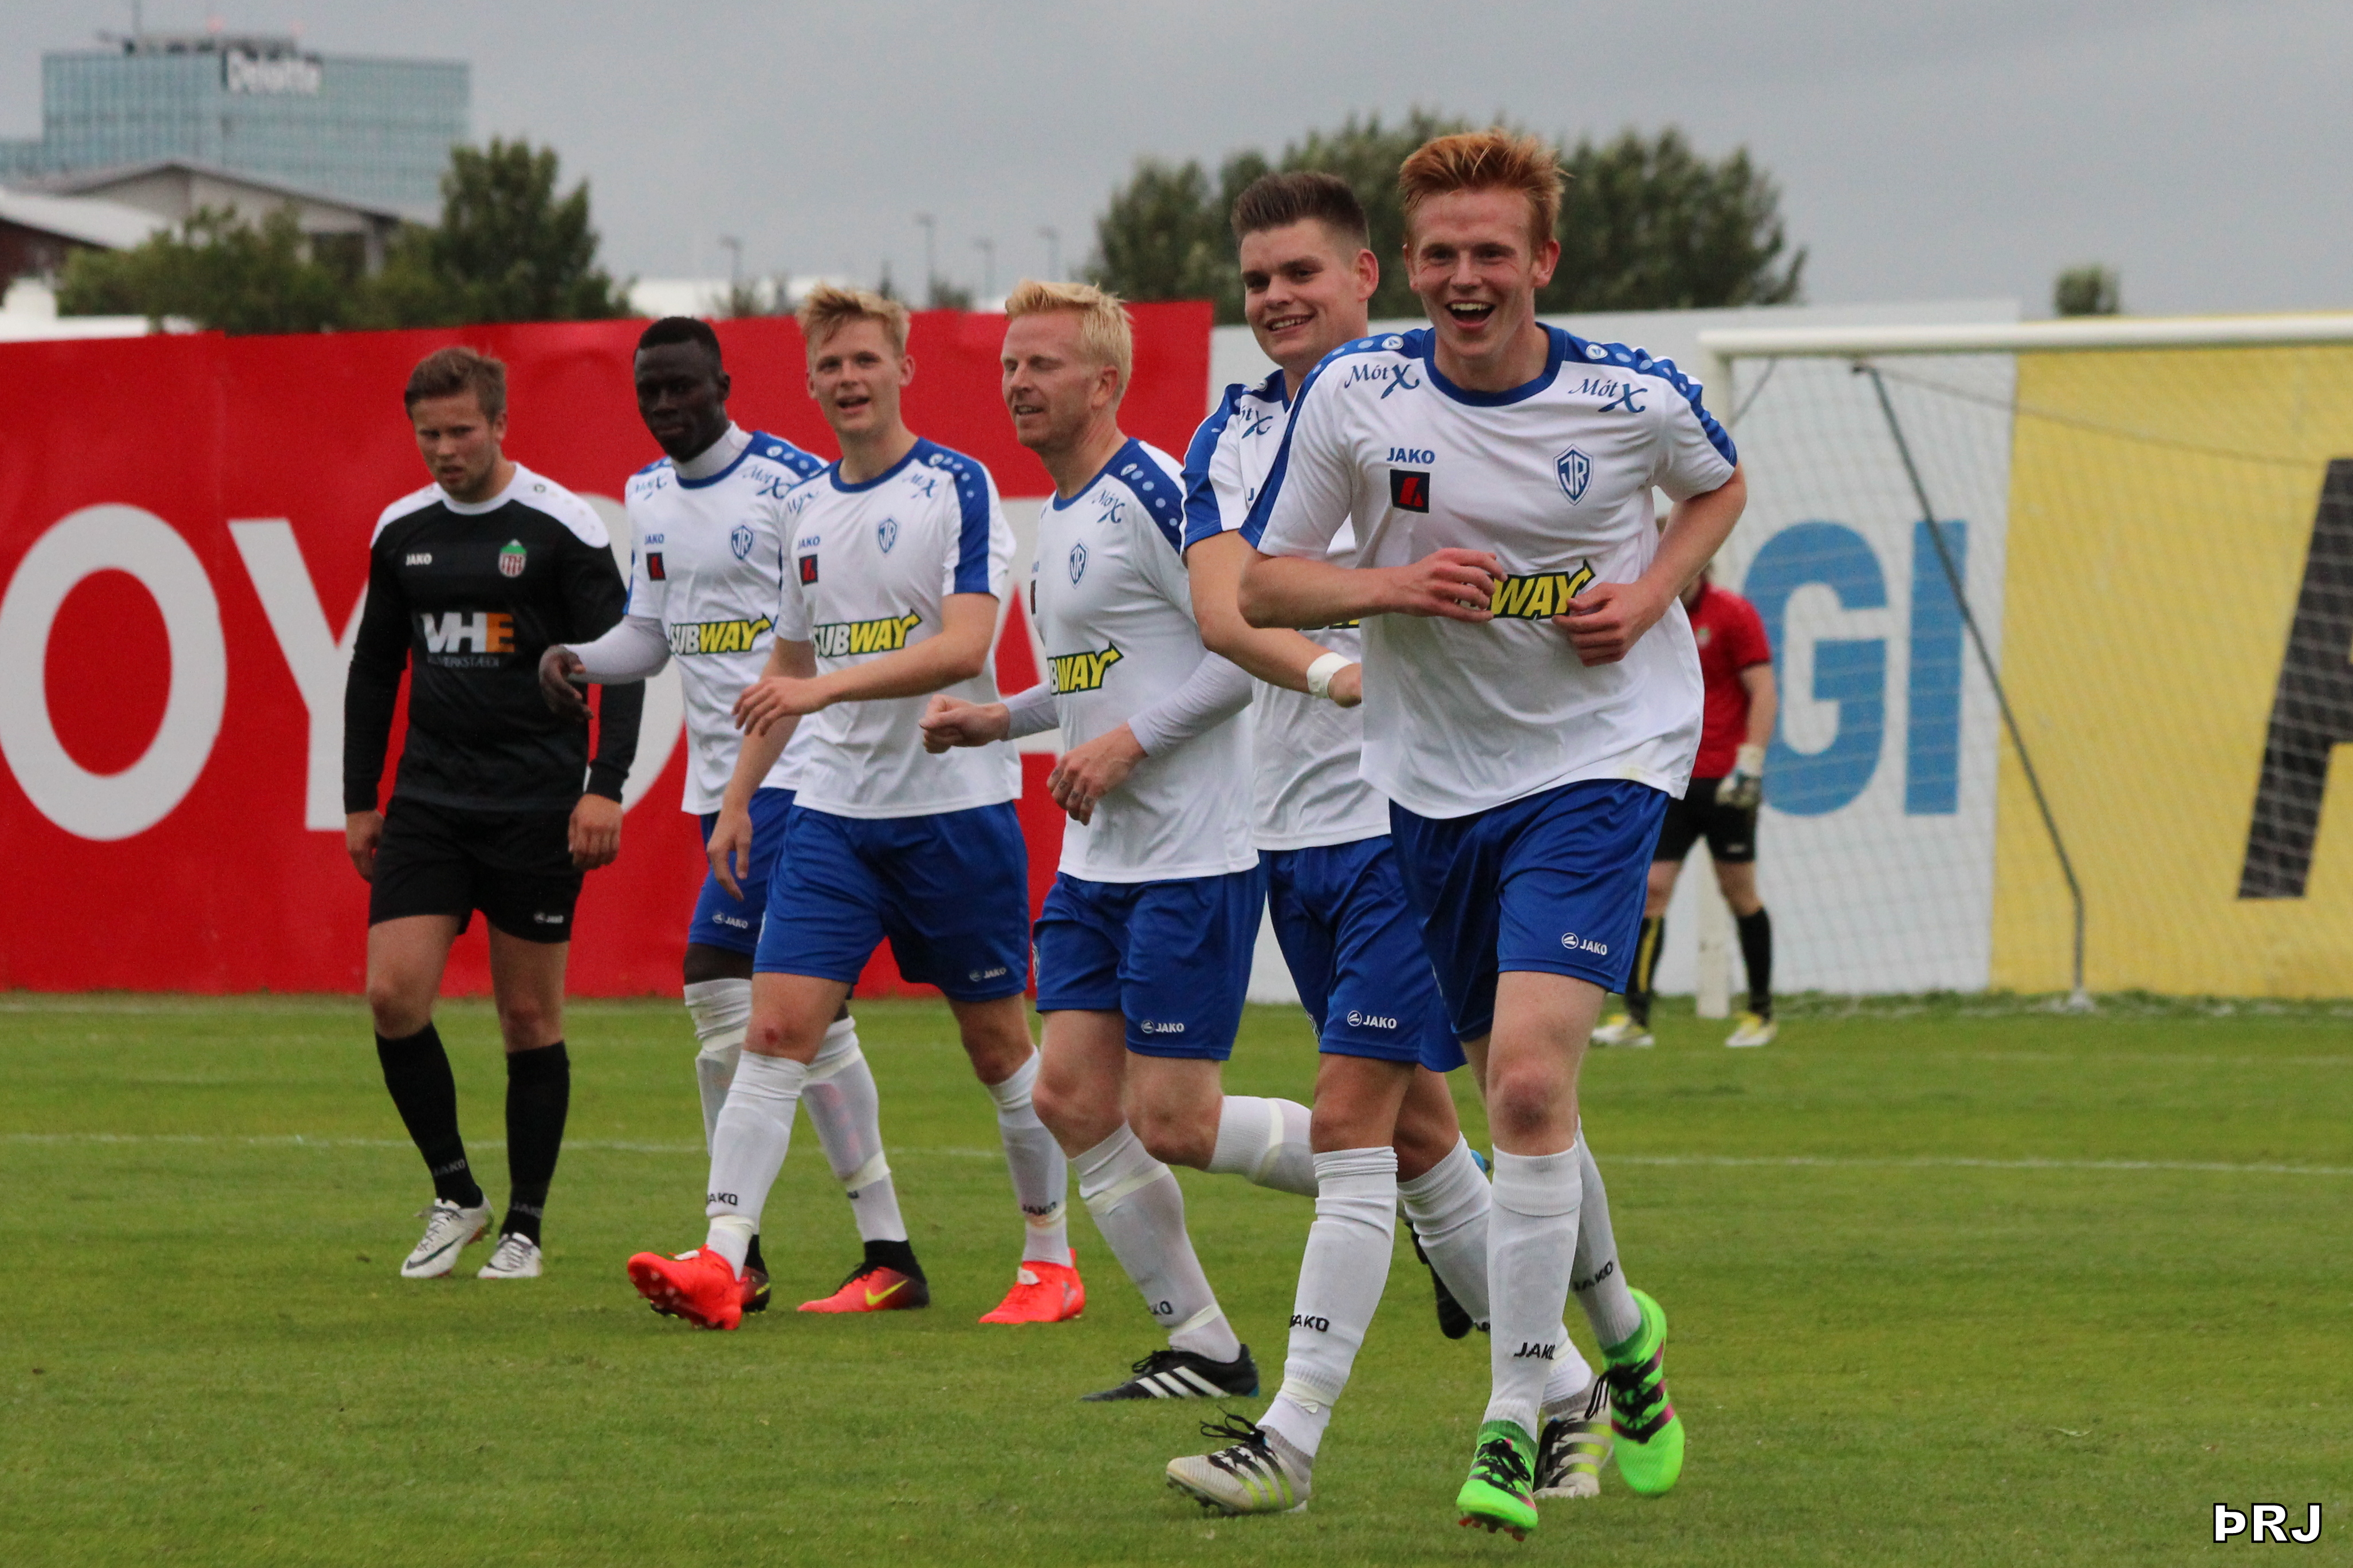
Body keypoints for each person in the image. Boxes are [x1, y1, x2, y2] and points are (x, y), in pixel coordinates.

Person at [1238, 129, 1746, 1537]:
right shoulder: (1355, 395)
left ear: (1542, 263)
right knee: (1522, 1100)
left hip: (1601, 760)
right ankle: (1622, 1333)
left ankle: (1515, 1419)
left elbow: (1717, 486)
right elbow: (1266, 587)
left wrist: (1650, 594)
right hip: (1431, 785)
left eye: (1492, 253)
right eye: (1443, 254)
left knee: (1522, 1086)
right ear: (1408, 268)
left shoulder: (1627, 394)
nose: (1467, 277)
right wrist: (1392, 590)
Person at [1162, 171, 1623, 1515]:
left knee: (1353, 1118)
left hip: (1408, 813)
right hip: (1289, 821)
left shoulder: (1441, 402)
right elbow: (1223, 608)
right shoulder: (1228, 434)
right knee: (1427, 1142)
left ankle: (1288, 1438)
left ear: (1366, 276)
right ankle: (1572, 1386)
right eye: (1256, 280)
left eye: (1300, 273)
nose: (1275, 298)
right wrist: (1335, 664)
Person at [620, 286, 1072, 1331]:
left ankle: (1049, 1256)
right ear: (810, 383)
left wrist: (821, 691)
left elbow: (964, 647)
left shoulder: (957, 484)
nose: (849, 379)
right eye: (830, 365)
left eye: (866, 359)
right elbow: (786, 666)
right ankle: (723, 1256)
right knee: (773, 1027)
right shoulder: (806, 508)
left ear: (903, 369)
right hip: (830, 814)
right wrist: (738, 798)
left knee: (999, 1048)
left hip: (952, 811)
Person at [923, 279, 1317, 1402]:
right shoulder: (1057, 515)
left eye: (1040, 365)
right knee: (1066, 1097)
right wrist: (1001, 719)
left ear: (1103, 382)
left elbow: (1241, 651)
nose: (1016, 383)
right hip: (1098, 864)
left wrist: (1128, 746)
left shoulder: (1155, 490)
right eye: (1009, 365)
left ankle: (1411, 1170)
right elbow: (1097, 677)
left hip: (1190, 856)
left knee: (1175, 1120)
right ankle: (1202, 1344)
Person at [539, 315, 901, 1319]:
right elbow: (650, 637)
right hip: (722, 790)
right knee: (805, 1017)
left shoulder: (791, 483)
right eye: (649, 391)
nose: (666, 405)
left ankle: (736, 1249)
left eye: (683, 387)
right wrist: (578, 657)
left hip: (798, 771)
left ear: (724, 384)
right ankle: (884, 1247)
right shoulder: (649, 495)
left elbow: (827, 631)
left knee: (716, 983)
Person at [344, 345, 643, 1283]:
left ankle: (525, 1225)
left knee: (527, 1015)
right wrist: (359, 798)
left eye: (461, 431)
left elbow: (624, 658)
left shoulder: (562, 526)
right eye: (428, 434)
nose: (444, 450)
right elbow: (374, 667)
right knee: (393, 996)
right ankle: (456, 1193)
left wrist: (604, 782)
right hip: (430, 801)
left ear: (501, 424)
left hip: (535, 805)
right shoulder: (401, 531)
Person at [1592, 565, 1779, 1049]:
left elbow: (1763, 690)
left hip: (1726, 784)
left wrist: (1751, 763)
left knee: (1739, 893)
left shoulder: (1734, 614)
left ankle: (1761, 1012)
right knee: (1652, 890)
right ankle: (1636, 1017)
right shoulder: (1648, 614)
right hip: (1672, 777)